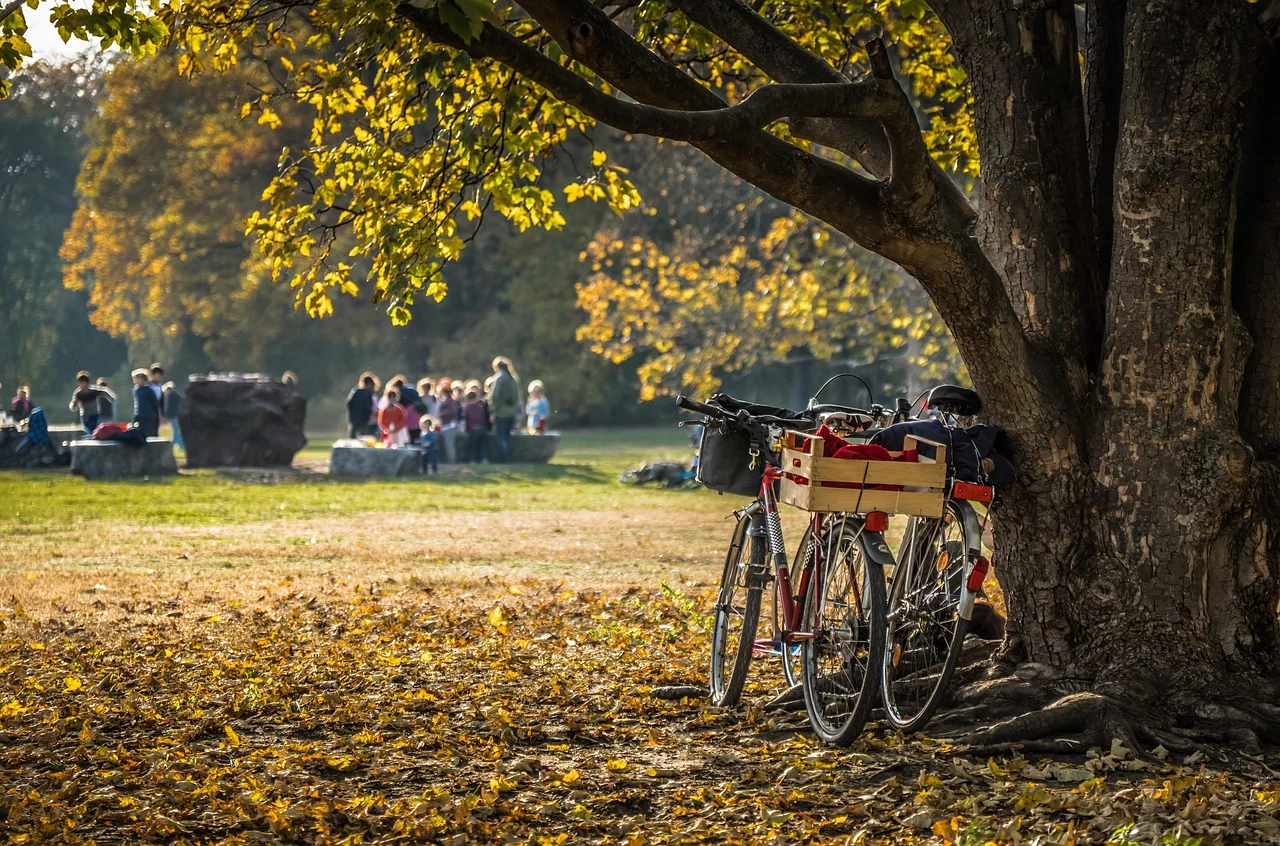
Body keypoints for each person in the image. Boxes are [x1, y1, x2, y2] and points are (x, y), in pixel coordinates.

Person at [489, 357, 520, 463]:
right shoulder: (514, 379)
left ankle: (504, 459)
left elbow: (495, 396)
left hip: (501, 413)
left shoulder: (498, 378)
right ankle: (509, 458)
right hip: (511, 413)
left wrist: (493, 411)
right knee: (508, 437)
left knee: (501, 438)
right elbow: (517, 397)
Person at [435, 378, 461, 462]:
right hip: (446, 426)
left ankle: (452, 461)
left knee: (449, 445)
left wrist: (442, 414)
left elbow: (453, 412)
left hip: (450, 426)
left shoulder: (451, 401)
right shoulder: (446, 400)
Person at [345, 373, 377, 438]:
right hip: (364, 420)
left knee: (352, 438)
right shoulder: (368, 393)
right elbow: (368, 407)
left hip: (353, 419)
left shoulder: (355, 391)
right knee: (363, 438)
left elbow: (348, 403)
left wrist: (353, 412)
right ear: (370, 383)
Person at [462, 389, 490, 463]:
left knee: (472, 446)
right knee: (483, 446)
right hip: (482, 428)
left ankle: (472, 460)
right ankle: (484, 459)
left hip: (472, 429)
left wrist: (466, 428)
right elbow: (484, 417)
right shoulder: (480, 407)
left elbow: (466, 418)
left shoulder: (467, 407)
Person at [132, 369, 161, 437]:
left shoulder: (148, 390)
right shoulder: (136, 390)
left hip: (148, 416)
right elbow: (136, 403)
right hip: (139, 415)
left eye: (139, 379)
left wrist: (156, 415)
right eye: (136, 379)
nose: (137, 381)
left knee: (149, 433)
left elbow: (155, 403)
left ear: (144, 380)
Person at [162, 382, 185, 451]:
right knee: (177, 431)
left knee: (175, 431)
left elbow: (169, 407)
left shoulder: (170, 395)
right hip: (179, 415)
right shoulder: (177, 395)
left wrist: (166, 416)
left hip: (173, 416)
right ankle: (179, 445)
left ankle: (177, 445)